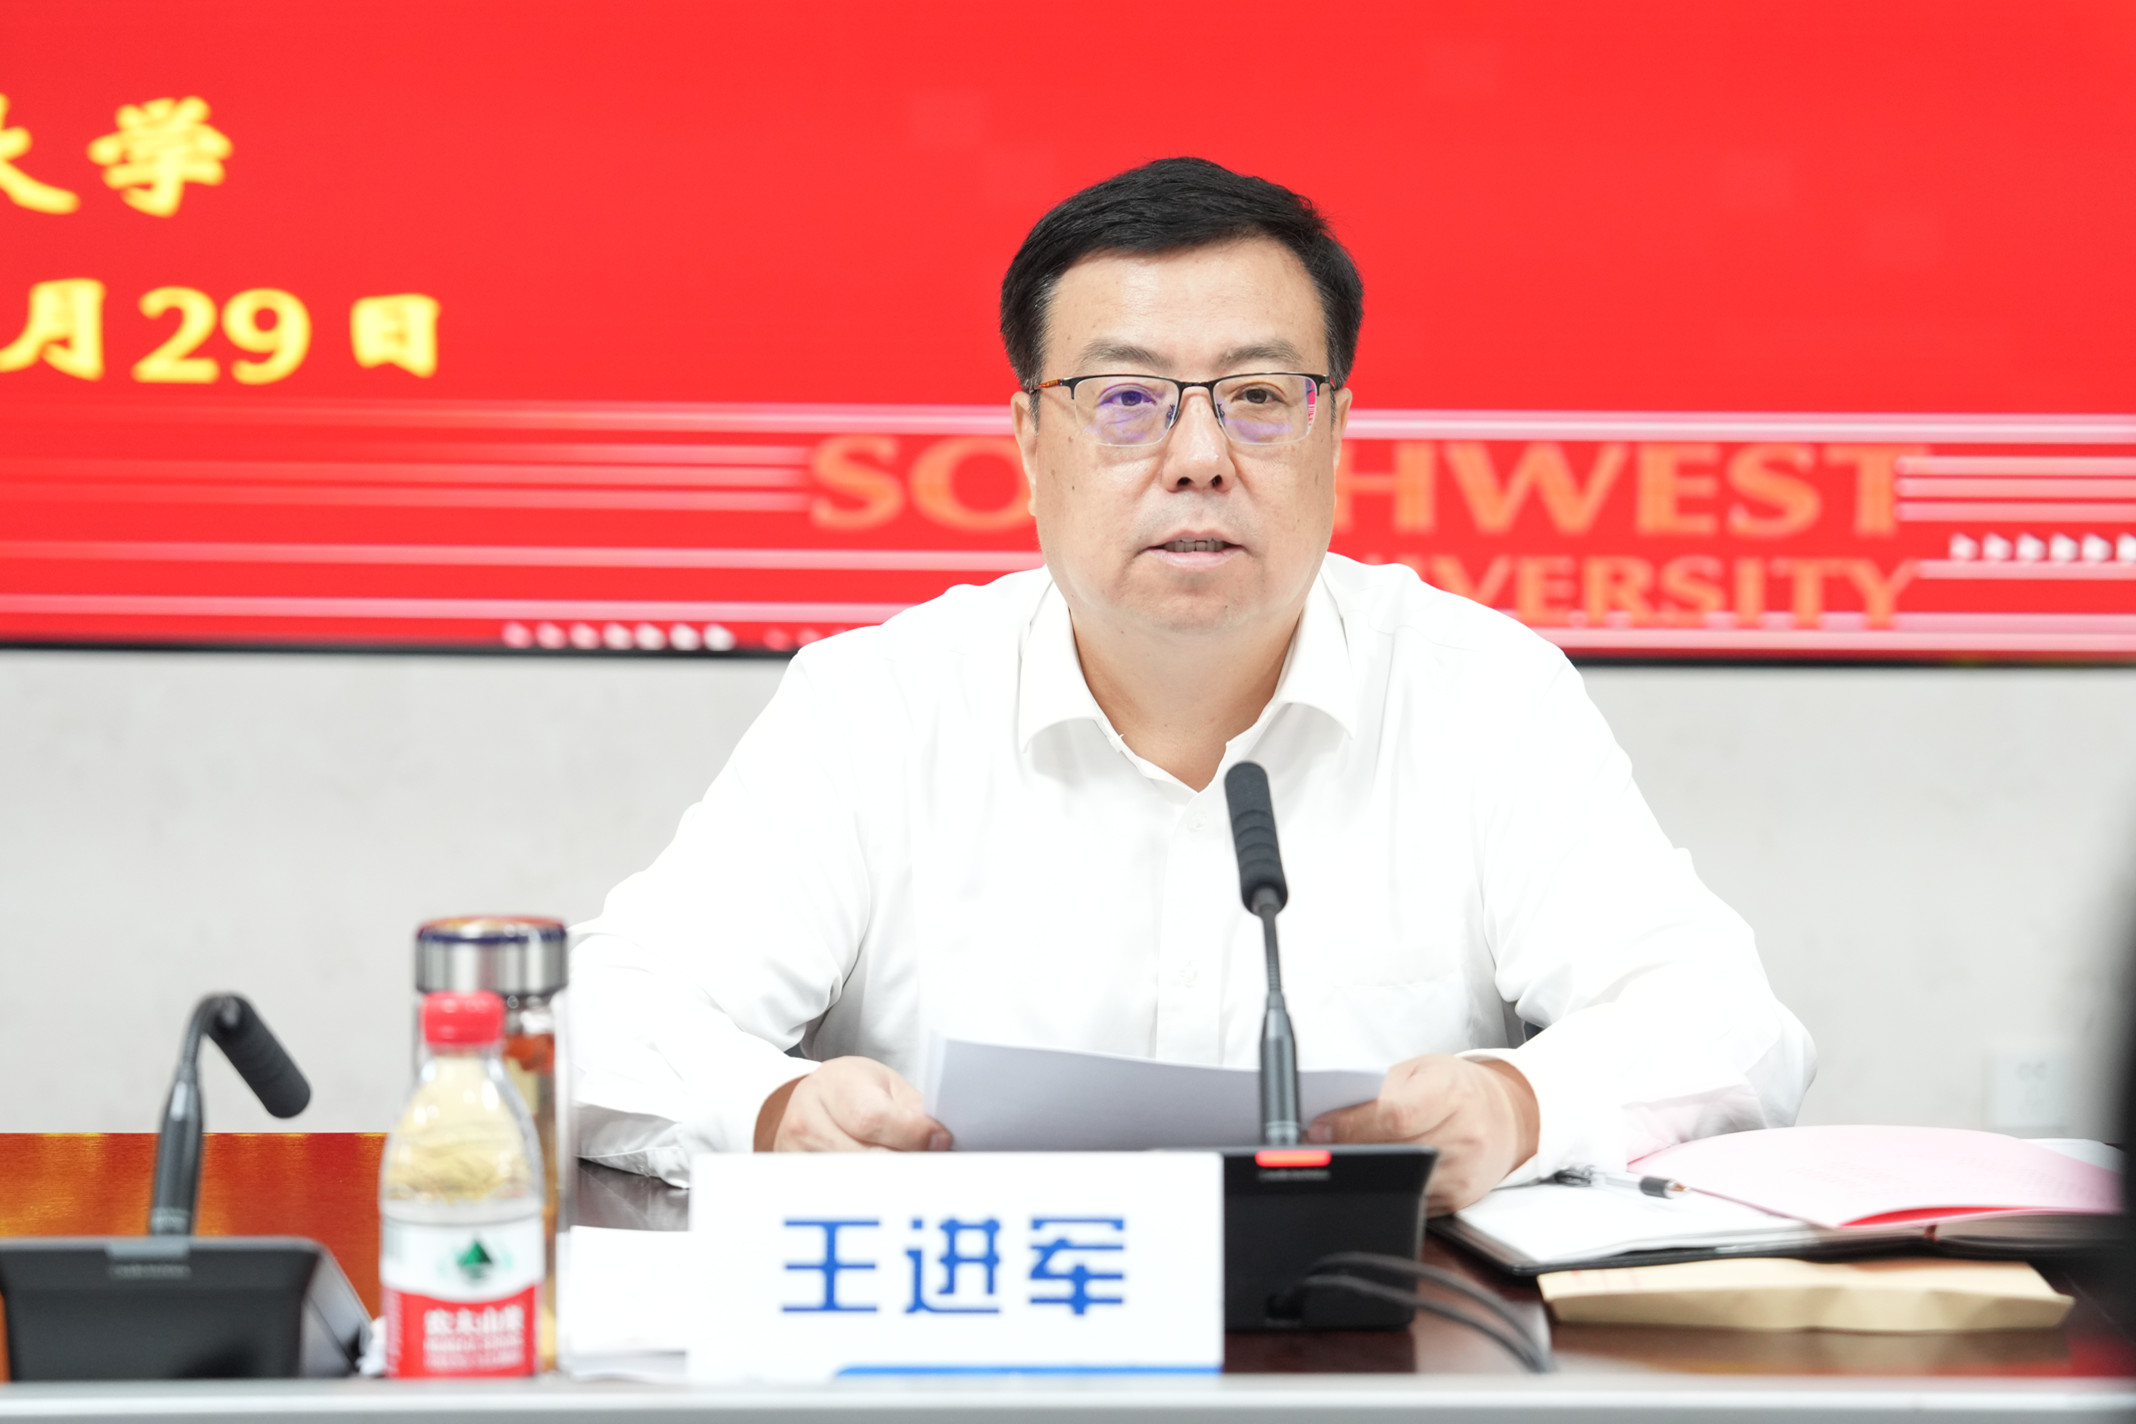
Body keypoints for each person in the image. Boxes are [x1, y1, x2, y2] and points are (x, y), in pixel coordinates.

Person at [571, 157, 1814, 1214]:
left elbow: (1732, 1024)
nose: (1201, 457)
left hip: (1373, 1353)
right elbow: (600, 1018)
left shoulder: (1481, 694)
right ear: (1028, 441)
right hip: (971, 1352)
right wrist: (776, 1109)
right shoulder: (881, 702)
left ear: (1336, 435)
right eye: (1126, 400)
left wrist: (1517, 1104)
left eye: (1261, 398)